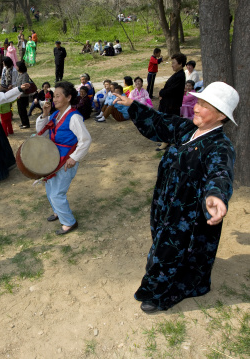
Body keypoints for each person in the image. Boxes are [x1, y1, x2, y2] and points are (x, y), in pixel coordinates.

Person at [114, 82, 239, 313]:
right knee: (166, 244)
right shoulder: (187, 128)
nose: (196, 108)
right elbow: (160, 122)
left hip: (187, 216)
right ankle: (188, 277)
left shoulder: (220, 146)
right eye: (199, 102)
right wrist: (134, 105)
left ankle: (158, 294)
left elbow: (220, 173)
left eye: (205, 105)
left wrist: (216, 196)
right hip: (166, 202)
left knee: (170, 251)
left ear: (221, 115)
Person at [36, 81, 92, 235]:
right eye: (54, 96)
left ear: (68, 98)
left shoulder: (74, 117)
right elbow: (42, 132)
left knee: (57, 193)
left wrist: (74, 157)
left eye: (58, 96)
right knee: (49, 187)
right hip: (53, 159)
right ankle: (58, 212)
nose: (54, 99)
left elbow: (85, 139)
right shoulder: (55, 114)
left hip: (66, 161)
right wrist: (45, 114)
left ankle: (69, 222)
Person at [15, 61, 31, 129]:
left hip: (23, 96)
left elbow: (24, 86)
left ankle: (26, 123)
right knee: (20, 110)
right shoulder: (19, 74)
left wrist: (20, 93)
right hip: (19, 95)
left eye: (17, 66)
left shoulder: (25, 75)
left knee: (23, 110)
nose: (16, 67)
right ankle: (23, 122)